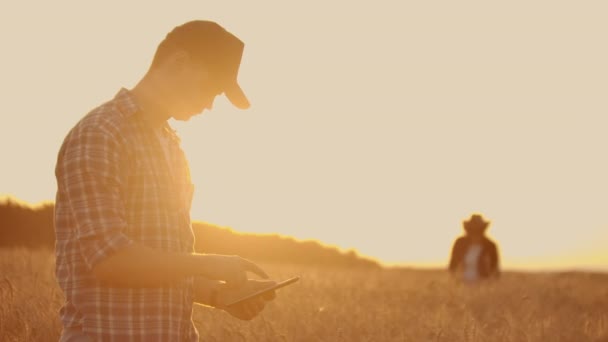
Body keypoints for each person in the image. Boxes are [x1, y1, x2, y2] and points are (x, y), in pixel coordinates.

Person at [54, 20, 277, 341]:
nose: (210, 104)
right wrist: (208, 263)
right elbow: (109, 260)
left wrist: (217, 294)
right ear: (179, 63)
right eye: (210, 88)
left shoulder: (171, 145)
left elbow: (159, 262)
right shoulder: (100, 134)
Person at [448, 213, 500, 282]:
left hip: (483, 284)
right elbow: (453, 265)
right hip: (461, 283)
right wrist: (456, 280)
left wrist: (489, 283)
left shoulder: (490, 246)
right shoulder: (460, 243)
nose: (475, 232)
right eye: (473, 229)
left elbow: (494, 269)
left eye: (478, 230)